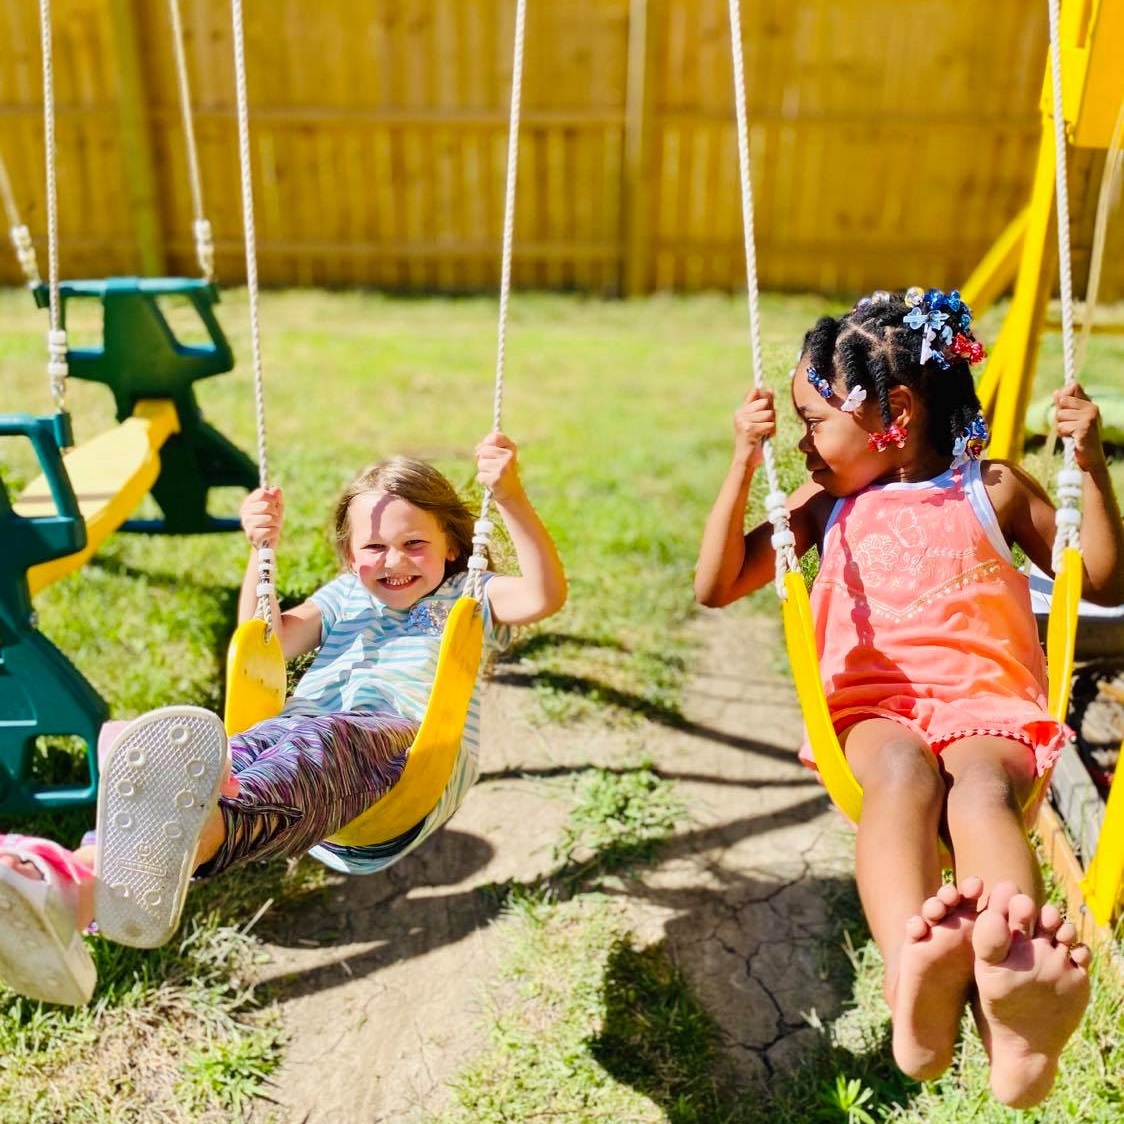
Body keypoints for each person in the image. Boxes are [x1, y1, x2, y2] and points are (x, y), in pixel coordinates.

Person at [695, 288, 1124, 1108]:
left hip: (987, 706)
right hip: (875, 712)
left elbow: (1105, 582)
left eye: (814, 422)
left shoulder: (993, 489)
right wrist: (743, 464)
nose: (804, 443)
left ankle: (1014, 985)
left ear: (893, 410)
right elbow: (717, 585)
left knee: (985, 790)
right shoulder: (825, 504)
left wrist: (1090, 463)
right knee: (900, 775)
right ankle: (914, 974)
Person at [0, 430, 566, 1007]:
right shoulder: (347, 595)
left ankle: (122, 858)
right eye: (373, 549)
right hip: (300, 756)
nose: (393, 561)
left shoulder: (469, 595)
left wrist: (513, 497)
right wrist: (258, 553)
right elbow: (265, 641)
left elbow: (543, 596)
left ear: (451, 545)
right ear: (350, 556)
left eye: (414, 543)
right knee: (218, 764)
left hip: (406, 760)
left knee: (313, 738)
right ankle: (72, 888)